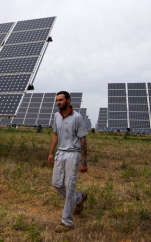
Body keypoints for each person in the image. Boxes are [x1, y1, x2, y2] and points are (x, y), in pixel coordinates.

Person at [48, 91, 88, 233]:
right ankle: (79, 197)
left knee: (69, 186)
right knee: (56, 183)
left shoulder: (77, 117)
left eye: (61, 100)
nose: (58, 102)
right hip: (61, 153)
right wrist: (51, 153)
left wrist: (84, 161)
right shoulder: (56, 116)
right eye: (57, 100)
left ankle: (67, 222)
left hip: (73, 154)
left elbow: (83, 139)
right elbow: (55, 134)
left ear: (68, 101)